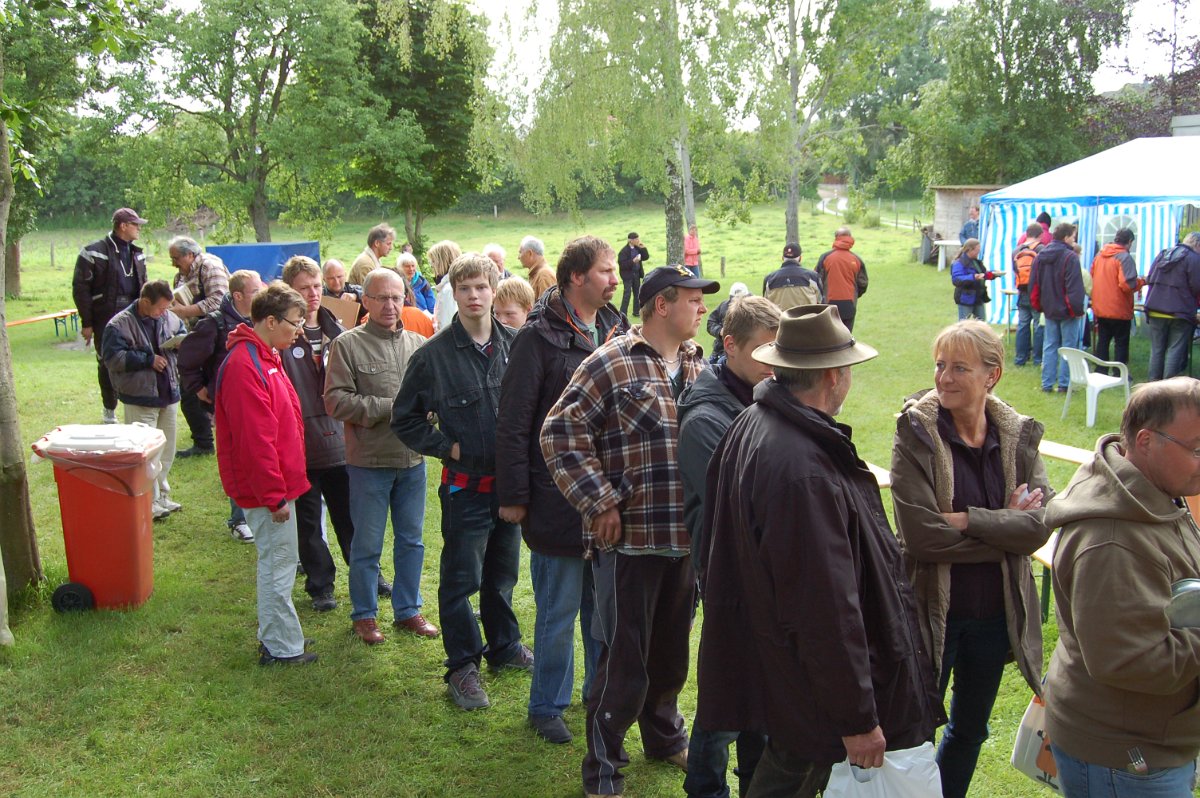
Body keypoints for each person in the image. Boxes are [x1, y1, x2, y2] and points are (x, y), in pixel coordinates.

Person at [698, 304, 944, 798]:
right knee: (790, 778)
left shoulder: (755, 422)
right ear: (833, 375)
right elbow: (824, 607)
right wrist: (855, 717)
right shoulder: (799, 467)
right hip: (809, 690)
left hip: (787, 673)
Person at [541, 264, 718, 798]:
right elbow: (559, 431)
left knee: (670, 656)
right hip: (630, 543)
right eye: (692, 299)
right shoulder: (611, 361)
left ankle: (664, 738)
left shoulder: (696, 366)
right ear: (661, 305)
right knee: (623, 662)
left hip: (684, 541)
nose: (702, 308)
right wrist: (597, 501)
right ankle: (603, 768)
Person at [890, 319, 1054, 798]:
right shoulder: (915, 434)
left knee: (970, 731)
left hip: (993, 617)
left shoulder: (1017, 436)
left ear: (992, 375)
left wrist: (965, 520)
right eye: (940, 365)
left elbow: (1040, 525)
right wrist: (1004, 523)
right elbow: (921, 537)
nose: (944, 378)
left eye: (960, 367)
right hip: (931, 614)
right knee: (915, 730)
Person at [496, 235, 628, 745]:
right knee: (558, 610)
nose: (614, 279)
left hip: (607, 501)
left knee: (603, 613)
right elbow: (514, 423)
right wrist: (514, 496)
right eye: (605, 271)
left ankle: (602, 700)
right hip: (555, 499)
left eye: (614, 271)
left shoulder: (617, 328)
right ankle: (546, 705)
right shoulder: (538, 338)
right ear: (576, 277)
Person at [1044, 377, 1200, 796]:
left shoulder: (1154, 490)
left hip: (1151, 739)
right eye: (1198, 448)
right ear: (1146, 441)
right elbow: (1130, 660)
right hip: (1127, 757)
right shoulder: (1112, 539)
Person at [392, 252, 533, 710]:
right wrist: (446, 447)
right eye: (465, 287)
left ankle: (504, 645)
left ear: (495, 290)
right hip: (464, 490)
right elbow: (404, 418)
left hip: (510, 486)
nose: (474, 296)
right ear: (453, 292)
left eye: (482, 287)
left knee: (502, 574)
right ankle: (463, 665)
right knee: (460, 579)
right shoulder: (433, 356)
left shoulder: (518, 346)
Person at [678, 296, 779, 798]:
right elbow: (735, 500)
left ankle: (754, 783)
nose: (773, 361)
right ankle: (706, 787)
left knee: (759, 689)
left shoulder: (760, 395)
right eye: (764, 349)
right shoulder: (706, 415)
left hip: (759, 572)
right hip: (724, 570)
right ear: (731, 343)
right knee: (723, 701)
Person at [324, 268, 437, 645]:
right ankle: (364, 615)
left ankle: (408, 610)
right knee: (367, 544)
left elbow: (433, 398)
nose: (390, 305)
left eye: (396, 296)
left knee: (412, 540)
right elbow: (336, 400)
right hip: (369, 462)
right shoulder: (348, 345)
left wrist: (431, 412)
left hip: (411, 461)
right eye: (381, 298)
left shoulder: (420, 345)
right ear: (366, 301)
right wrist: (392, 408)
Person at [213, 281, 316, 666]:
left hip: (279, 485)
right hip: (267, 492)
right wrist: (274, 496)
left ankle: (277, 640)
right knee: (278, 564)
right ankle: (281, 648)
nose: (299, 330)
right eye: (294, 322)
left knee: (279, 561)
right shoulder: (246, 365)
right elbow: (255, 441)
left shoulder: (266, 356)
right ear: (270, 321)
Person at [278, 256, 356, 614]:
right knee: (308, 519)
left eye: (316, 286)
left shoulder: (337, 330)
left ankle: (366, 574)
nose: (312, 294)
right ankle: (321, 584)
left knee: (350, 514)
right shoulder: (280, 339)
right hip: (301, 442)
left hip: (340, 439)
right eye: (303, 288)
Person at [177, 269, 264, 542]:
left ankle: (261, 508)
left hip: (260, 400)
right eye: (255, 292)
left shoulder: (263, 320)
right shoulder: (214, 324)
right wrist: (200, 388)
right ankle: (239, 519)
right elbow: (187, 359)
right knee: (239, 458)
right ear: (238, 295)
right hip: (228, 404)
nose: (262, 295)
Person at [102, 280, 188, 520]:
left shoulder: (169, 318)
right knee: (144, 453)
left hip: (168, 394)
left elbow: (183, 334)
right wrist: (147, 360)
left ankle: (162, 496)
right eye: (161, 308)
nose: (164, 312)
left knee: (166, 449)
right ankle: (146, 501)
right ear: (145, 302)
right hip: (140, 397)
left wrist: (182, 343)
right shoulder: (118, 325)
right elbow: (112, 359)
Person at [73, 208, 149, 424]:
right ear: (123, 226)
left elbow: (144, 287)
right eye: (136, 224)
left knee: (137, 358)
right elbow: (80, 290)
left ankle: (135, 408)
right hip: (104, 318)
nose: (139, 228)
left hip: (134, 316)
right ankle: (109, 410)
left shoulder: (137, 253)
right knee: (107, 362)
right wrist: (87, 323)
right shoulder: (93, 252)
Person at [1031, 223, 1087, 392]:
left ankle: (1047, 383)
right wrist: (1076, 310)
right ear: (1066, 237)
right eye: (1073, 236)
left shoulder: (1040, 256)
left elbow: (1034, 283)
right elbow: (1074, 287)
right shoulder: (1070, 257)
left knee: (1050, 345)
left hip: (1049, 308)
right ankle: (1064, 384)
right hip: (1067, 310)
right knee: (1068, 348)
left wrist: (1039, 304)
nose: (1074, 239)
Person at [1143, 232, 1200, 381]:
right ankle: (1168, 388)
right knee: (1175, 350)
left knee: (1157, 350)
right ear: (1197, 245)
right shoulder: (1194, 259)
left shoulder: (1163, 254)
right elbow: (1197, 286)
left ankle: (1153, 386)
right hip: (1180, 311)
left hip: (1155, 308)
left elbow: (1149, 278)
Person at [1090, 228, 1143, 372]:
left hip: (1101, 307)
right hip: (1119, 308)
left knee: (1103, 341)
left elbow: (1092, 275)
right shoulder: (1124, 257)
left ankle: (1100, 371)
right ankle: (1119, 374)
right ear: (1130, 242)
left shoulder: (1099, 256)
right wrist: (1142, 282)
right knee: (1121, 343)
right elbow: (1127, 284)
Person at [815, 227, 868, 331]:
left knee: (829, 335)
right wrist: (855, 295)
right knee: (847, 336)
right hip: (849, 304)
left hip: (828, 304)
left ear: (836, 238)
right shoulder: (856, 259)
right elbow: (863, 283)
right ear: (850, 238)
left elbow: (817, 280)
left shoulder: (825, 257)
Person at [1013, 222, 1046, 367]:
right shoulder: (1041, 249)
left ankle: (1020, 357)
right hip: (1037, 292)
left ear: (1026, 234)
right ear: (1041, 234)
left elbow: (1015, 270)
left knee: (1022, 325)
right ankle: (1037, 358)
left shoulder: (1017, 250)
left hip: (1022, 291)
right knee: (1038, 325)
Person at [762, 242, 823, 310]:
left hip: (780, 319)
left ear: (782, 258)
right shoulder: (813, 277)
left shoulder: (769, 279)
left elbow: (766, 304)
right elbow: (820, 302)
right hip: (807, 319)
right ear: (800, 258)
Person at [950, 238, 997, 321]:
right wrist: (973, 277)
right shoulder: (959, 263)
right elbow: (956, 279)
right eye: (977, 250)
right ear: (970, 250)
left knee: (982, 324)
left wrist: (993, 275)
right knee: (964, 324)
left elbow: (983, 274)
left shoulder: (976, 262)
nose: (978, 252)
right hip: (966, 298)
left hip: (978, 297)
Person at [706, 282, 750, 363]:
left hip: (745, 350)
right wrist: (719, 331)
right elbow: (710, 322)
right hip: (721, 350)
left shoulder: (754, 309)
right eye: (735, 299)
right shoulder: (723, 307)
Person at [429, 239, 463, 332]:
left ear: (442, 261)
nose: (432, 265)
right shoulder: (455, 285)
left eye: (433, 261)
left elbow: (447, 325)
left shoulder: (448, 289)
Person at [617, 231, 650, 317]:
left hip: (637, 274)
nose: (638, 240)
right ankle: (622, 313)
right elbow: (622, 265)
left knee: (637, 294)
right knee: (627, 294)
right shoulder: (623, 251)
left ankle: (636, 312)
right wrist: (633, 261)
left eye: (638, 238)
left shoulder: (638, 248)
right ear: (630, 240)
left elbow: (646, 257)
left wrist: (643, 248)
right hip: (628, 276)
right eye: (636, 239)